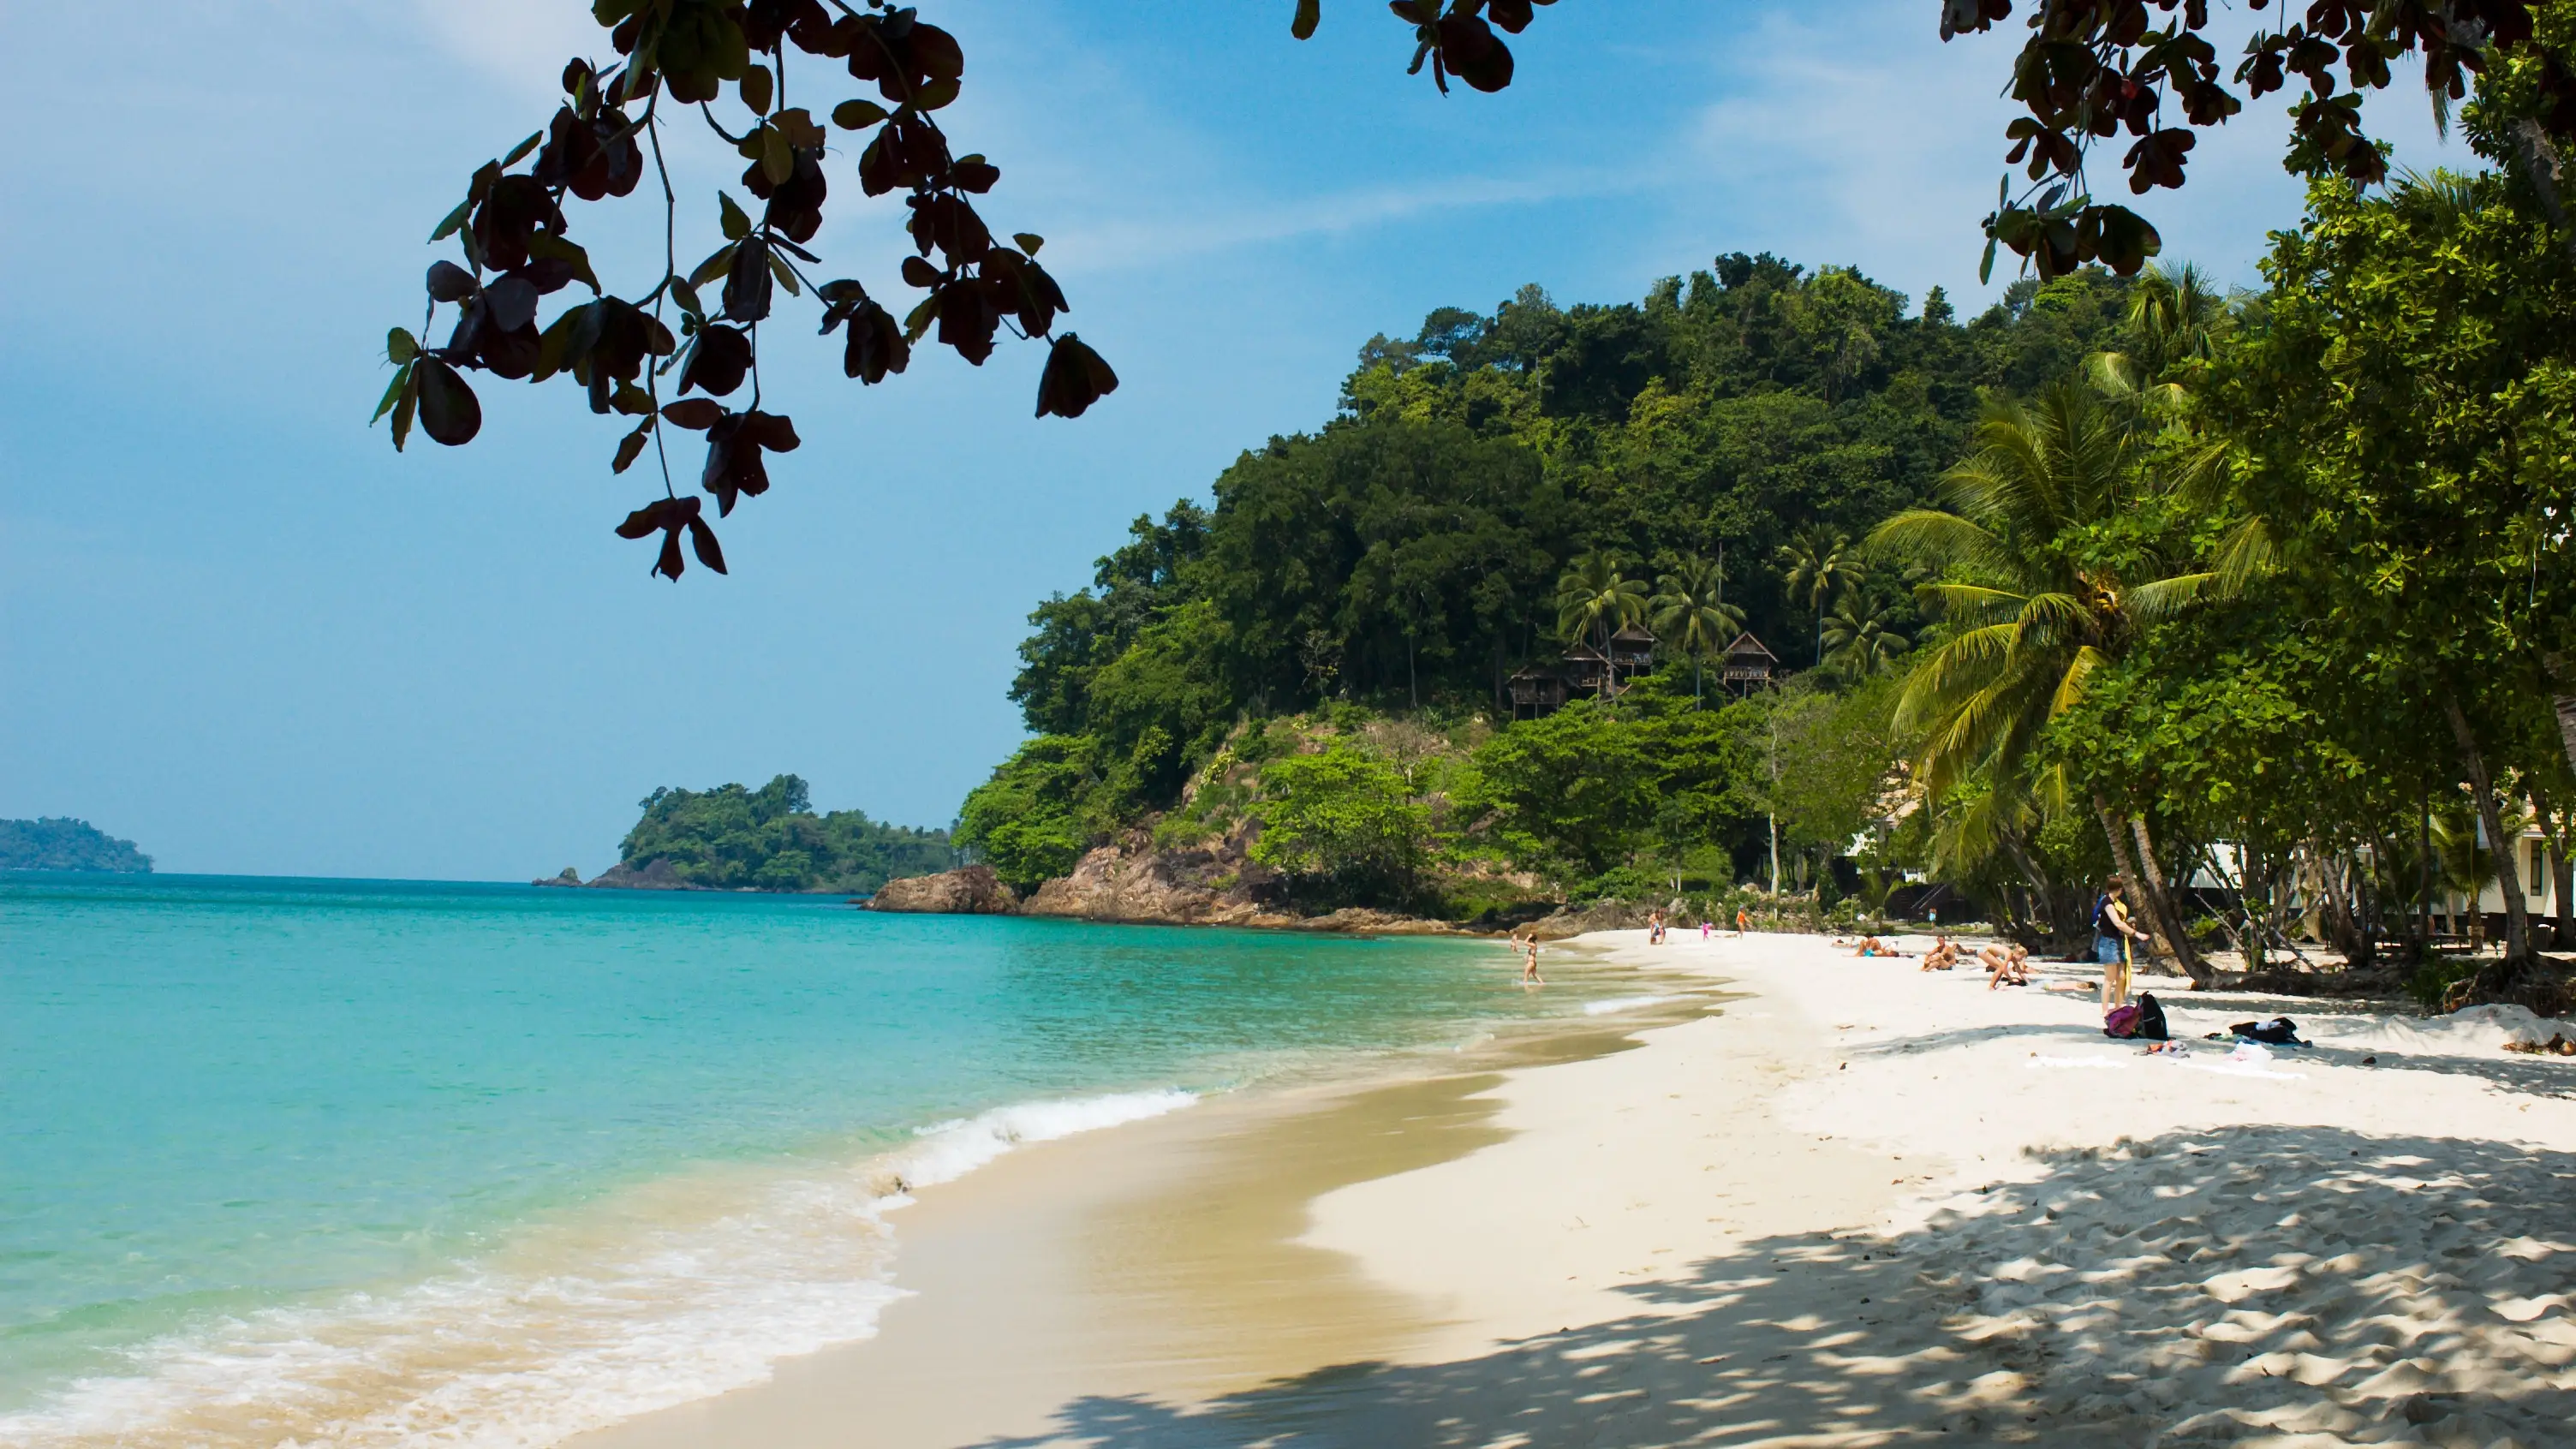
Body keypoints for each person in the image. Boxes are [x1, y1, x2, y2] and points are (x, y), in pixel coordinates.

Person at [2092, 878, 2152, 1008]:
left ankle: (2118, 1008)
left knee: (2122, 977)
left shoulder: (2115, 902)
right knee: (2109, 979)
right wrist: (2137, 934)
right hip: (2108, 943)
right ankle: (2105, 1010)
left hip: (2118, 942)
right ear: (2119, 889)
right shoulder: (2107, 903)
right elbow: (2118, 923)